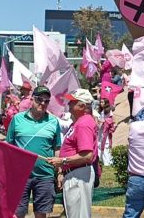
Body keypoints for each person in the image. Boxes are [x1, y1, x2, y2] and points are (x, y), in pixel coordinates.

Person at [6, 86, 62, 218]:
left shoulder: (53, 122)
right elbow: (9, 147)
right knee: (16, 214)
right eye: (39, 99)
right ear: (32, 99)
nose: (42, 103)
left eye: (46, 101)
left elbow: (57, 149)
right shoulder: (17, 119)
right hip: (19, 175)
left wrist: (59, 172)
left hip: (45, 175)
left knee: (41, 214)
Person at [48, 89, 98, 218]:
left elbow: (87, 156)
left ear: (82, 106)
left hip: (79, 174)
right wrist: (62, 171)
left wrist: (62, 161)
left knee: (79, 215)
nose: (69, 104)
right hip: (74, 173)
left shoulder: (83, 124)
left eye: (73, 102)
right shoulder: (78, 123)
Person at [98, 98, 115, 166]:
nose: (101, 103)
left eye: (102, 102)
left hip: (105, 132)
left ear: (106, 103)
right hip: (100, 131)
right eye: (100, 102)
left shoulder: (109, 111)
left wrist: (104, 121)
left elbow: (111, 120)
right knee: (99, 144)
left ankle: (108, 162)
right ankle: (101, 159)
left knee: (106, 145)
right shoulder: (101, 111)